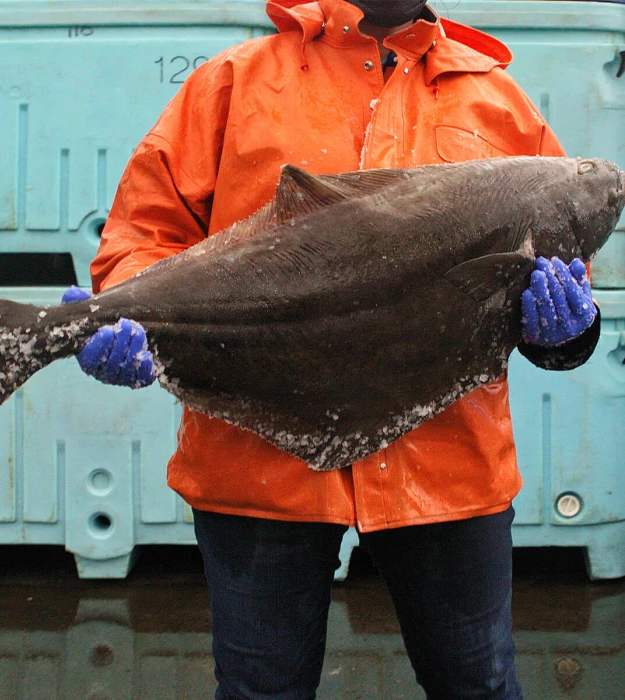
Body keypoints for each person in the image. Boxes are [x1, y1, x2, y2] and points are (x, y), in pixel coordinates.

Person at [63, 1, 600, 697]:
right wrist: (131, 317)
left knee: (479, 684)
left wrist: (567, 333)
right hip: (256, 470)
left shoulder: (499, 102)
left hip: (448, 471)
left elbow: (553, 299)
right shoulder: (233, 82)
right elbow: (144, 233)